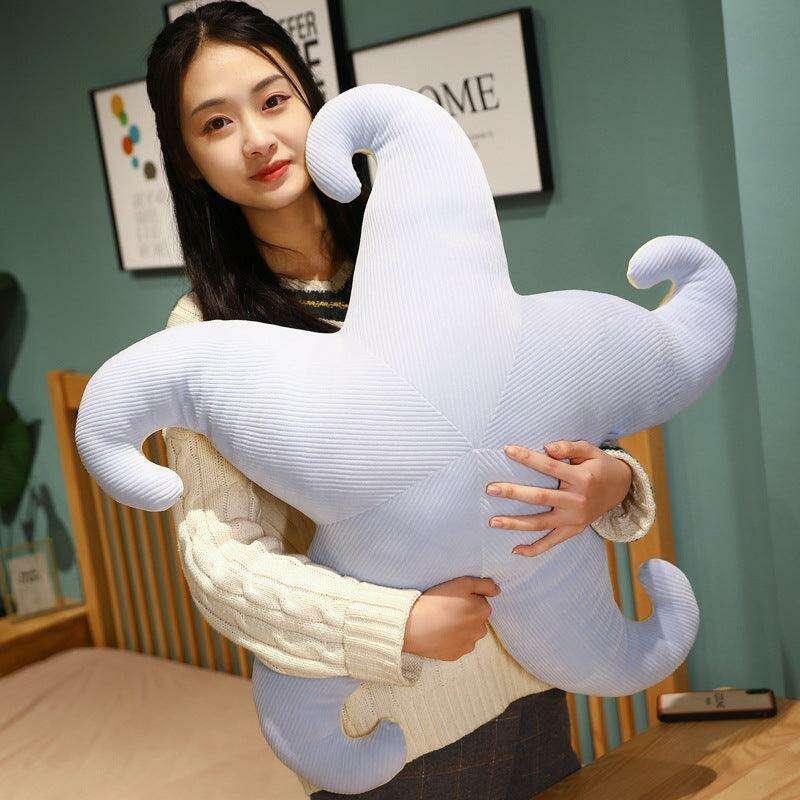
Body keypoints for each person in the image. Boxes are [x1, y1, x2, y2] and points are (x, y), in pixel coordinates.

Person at [147, 3, 657, 797]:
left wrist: (611, 477)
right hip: (394, 727)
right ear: (187, 160)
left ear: (313, 103)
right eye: (216, 123)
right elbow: (222, 562)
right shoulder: (207, 332)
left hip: (534, 677)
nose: (256, 139)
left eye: (273, 100)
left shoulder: (421, 250)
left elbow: (522, 407)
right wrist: (398, 625)